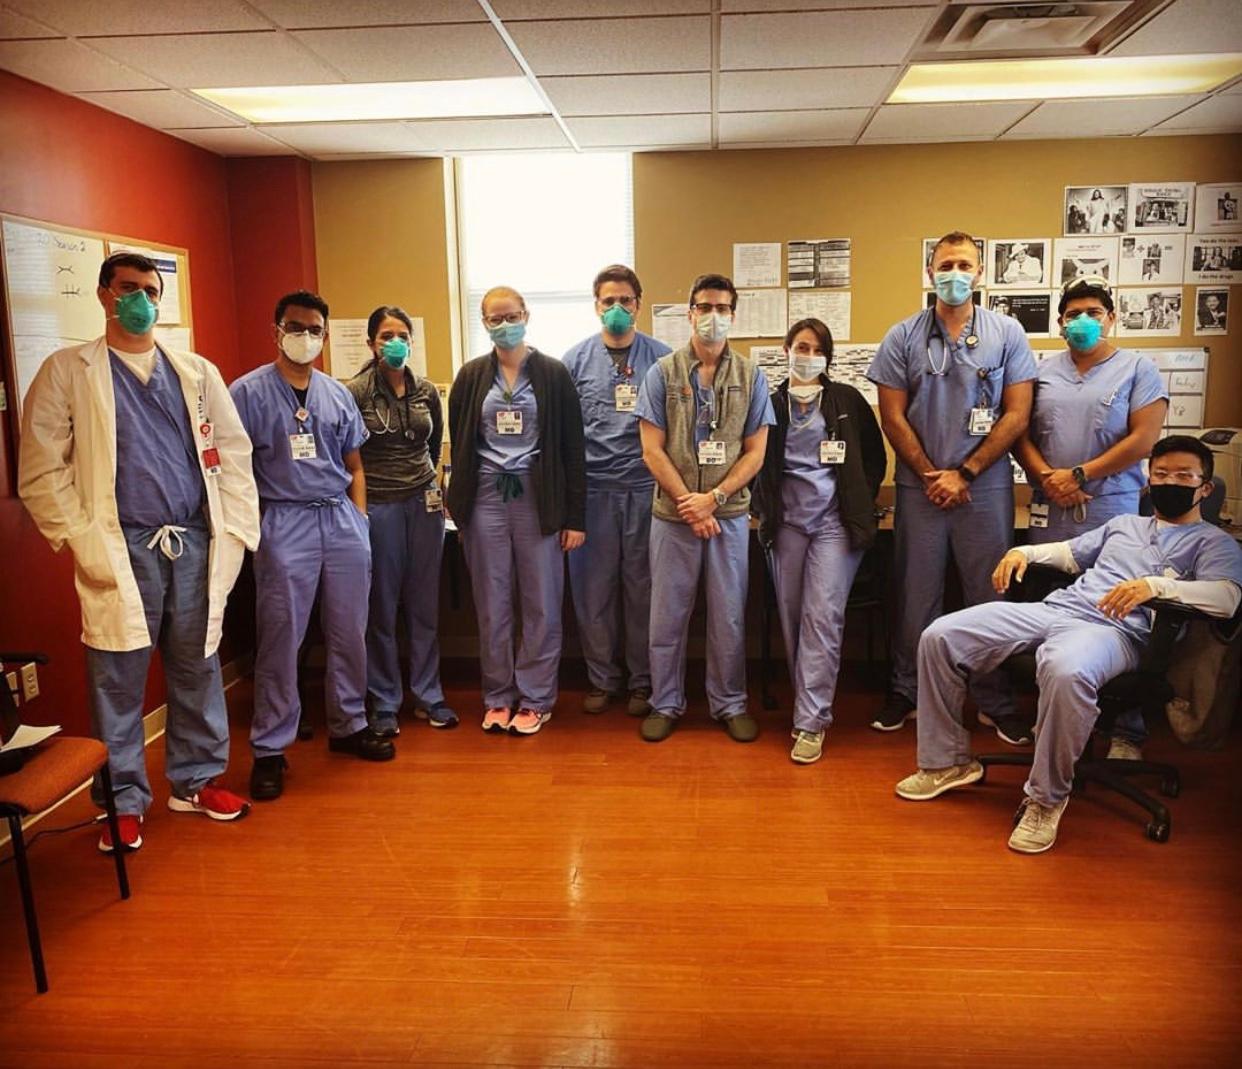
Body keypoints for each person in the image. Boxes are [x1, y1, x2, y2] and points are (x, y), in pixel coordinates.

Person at [895, 436, 1242, 854]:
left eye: (1184, 476)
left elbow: (1228, 599)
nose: (1171, 482)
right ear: (1148, 480)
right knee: (941, 635)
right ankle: (945, 762)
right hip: (1059, 609)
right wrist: (1025, 551)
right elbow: (1070, 554)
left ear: (1205, 487)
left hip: (1116, 631)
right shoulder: (1125, 525)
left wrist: (1158, 586)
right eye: (1162, 474)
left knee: (1065, 668)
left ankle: (1046, 798)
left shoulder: (1214, 543)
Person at [18, 252, 260, 852]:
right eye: (129, 289)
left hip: (194, 540)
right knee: (117, 676)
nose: (141, 300)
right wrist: (79, 537)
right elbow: (42, 471)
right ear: (103, 294)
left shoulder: (195, 372)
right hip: (121, 544)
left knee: (198, 664)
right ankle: (122, 801)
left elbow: (233, 454)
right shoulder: (66, 370)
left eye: (151, 290)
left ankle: (196, 781)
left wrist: (233, 531)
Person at [866, 231, 1036, 744]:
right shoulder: (903, 337)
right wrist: (929, 474)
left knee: (990, 594)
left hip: (983, 487)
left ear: (980, 272)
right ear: (930, 272)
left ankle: (993, 699)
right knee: (916, 592)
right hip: (921, 486)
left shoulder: (1007, 333)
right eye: (945, 265)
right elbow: (891, 416)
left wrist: (965, 472)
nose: (954, 273)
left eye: (964, 264)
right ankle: (908, 689)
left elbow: (1018, 412)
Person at [230, 290, 394, 802]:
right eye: (295, 327)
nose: (305, 337)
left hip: (340, 518)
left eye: (314, 330)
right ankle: (271, 749)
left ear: (324, 337)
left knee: (350, 632)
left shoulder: (337, 394)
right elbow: (234, 470)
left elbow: (355, 466)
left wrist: (360, 522)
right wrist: (257, 527)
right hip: (283, 521)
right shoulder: (248, 393)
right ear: (276, 330)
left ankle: (347, 725)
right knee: (282, 638)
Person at [1016, 275, 1168, 758]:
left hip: (1112, 506)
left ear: (1111, 319)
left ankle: (1126, 728)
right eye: (1073, 314)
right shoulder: (1042, 371)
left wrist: (1079, 475)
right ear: (1060, 323)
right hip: (1051, 509)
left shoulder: (1137, 369)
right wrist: (1048, 478)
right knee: (1053, 612)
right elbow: (1021, 432)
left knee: (1116, 614)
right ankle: (1053, 720)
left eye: (1093, 313)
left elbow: (1143, 440)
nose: (1082, 321)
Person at [634, 272, 774, 743]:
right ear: (690, 313)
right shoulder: (663, 373)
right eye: (704, 308)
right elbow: (652, 449)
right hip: (673, 518)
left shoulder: (751, 376)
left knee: (729, 614)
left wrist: (713, 499)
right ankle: (665, 701)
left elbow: (755, 451)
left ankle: (729, 702)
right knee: (667, 614)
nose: (712, 317)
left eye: (722, 309)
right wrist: (688, 503)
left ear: (733, 315)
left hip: (728, 515)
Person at [445, 286, 586, 736]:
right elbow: (462, 442)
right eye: (494, 318)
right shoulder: (470, 377)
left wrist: (574, 517)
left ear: (526, 315)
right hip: (486, 496)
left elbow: (572, 449)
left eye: (511, 315)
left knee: (541, 601)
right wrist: (460, 509)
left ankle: (537, 698)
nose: (504, 324)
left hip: (537, 494)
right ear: (483, 323)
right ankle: (498, 696)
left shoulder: (553, 374)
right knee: (492, 603)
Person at [751, 318, 885, 764]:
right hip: (787, 523)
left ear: (827, 357)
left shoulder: (845, 401)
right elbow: (754, 459)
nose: (806, 356)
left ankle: (811, 721)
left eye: (815, 349)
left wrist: (856, 502)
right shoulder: (770, 405)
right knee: (792, 616)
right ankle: (805, 702)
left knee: (822, 616)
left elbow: (873, 458)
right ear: (785, 350)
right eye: (799, 347)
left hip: (834, 524)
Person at [562, 265, 671, 718]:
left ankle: (644, 682)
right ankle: (602, 679)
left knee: (644, 590)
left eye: (625, 300)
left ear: (639, 305)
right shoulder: (572, 362)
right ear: (596, 307)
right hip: (593, 493)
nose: (617, 309)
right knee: (593, 591)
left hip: (646, 489)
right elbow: (564, 437)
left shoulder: (662, 360)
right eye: (608, 301)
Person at [347, 305, 455, 736]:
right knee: (382, 607)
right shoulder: (354, 392)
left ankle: (430, 695)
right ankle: (386, 700)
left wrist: (431, 487)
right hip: (380, 507)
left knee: (425, 605)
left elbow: (433, 448)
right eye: (387, 335)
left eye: (403, 335)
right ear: (371, 343)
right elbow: (347, 456)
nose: (396, 342)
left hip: (425, 505)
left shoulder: (426, 390)